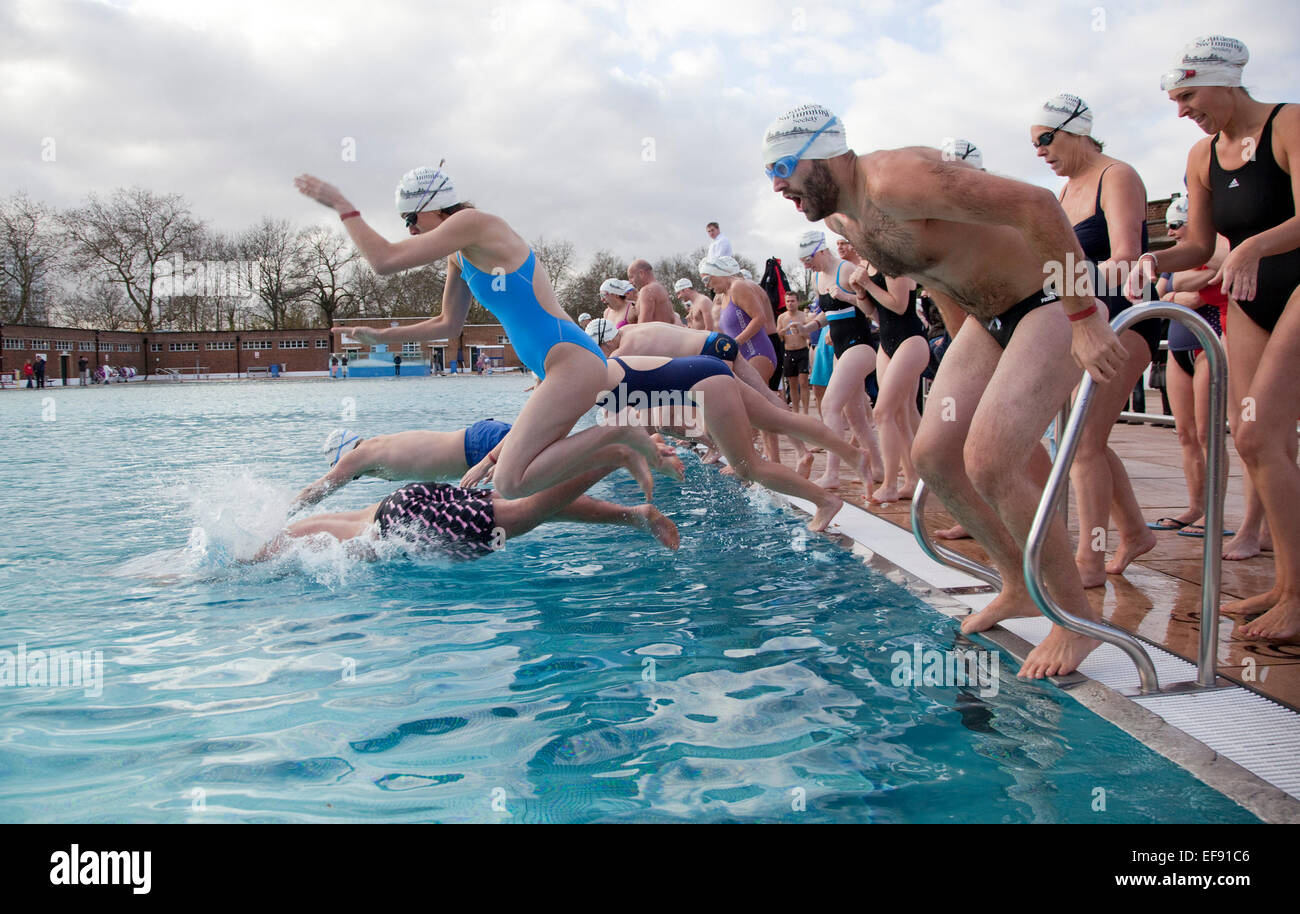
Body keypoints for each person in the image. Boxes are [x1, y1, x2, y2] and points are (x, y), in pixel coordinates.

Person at [766, 102, 1130, 678]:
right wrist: (967, 354)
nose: (779, 183)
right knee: (933, 455)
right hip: (988, 320)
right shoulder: (841, 220)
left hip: (1049, 302)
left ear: (826, 153)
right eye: (769, 174)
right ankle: (1018, 582)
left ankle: (1073, 620)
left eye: (783, 166)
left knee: (990, 461)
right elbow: (939, 275)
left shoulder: (897, 179)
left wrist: (1083, 314)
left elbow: (1037, 206)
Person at [296, 164, 671, 502]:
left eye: (411, 218)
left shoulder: (472, 223)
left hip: (570, 360)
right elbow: (448, 325)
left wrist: (343, 205)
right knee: (517, 481)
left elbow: (385, 261)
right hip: (555, 368)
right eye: (404, 223)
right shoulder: (458, 254)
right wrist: (380, 338)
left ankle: (619, 433)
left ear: (437, 205)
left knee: (509, 481)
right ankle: (619, 450)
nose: (410, 230)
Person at [1129, 36, 1300, 639]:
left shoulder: (1288, 124)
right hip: (1254, 297)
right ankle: (1285, 585)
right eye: (1176, 100)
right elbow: (1199, 246)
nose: (1182, 111)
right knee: (1257, 440)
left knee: (1256, 431)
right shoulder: (1202, 156)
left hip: (1296, 279)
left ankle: (1297, 594)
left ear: (1227, 80)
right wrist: (1155, 260)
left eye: (1189, 96)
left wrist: (1253, 245)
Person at [1032, 92, 1163, 587]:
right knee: (1089, 438)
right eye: (1035, 145)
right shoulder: (1063, 193)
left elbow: (1126, 258)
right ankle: (1134, 531)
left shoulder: (1117, 175)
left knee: (1083, 441)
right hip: (1087, 321)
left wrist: (1066, 279)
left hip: (1126, 318)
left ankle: (1089, 558)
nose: (1041, 151)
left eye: (1046, 139)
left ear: (1076, 129)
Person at [587, 331, 868, 532]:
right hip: (708, 366)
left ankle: (825, 502)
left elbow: (625, 431)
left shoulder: (593, 376)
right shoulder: (609, 358)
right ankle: (854, 455)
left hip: (705, 381)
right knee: (777, 418)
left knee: (748, 466)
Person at [258, 466, 680, 564]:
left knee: (529, 511)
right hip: (406, 501)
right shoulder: (299, 530)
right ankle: (634, 513)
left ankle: (614, 453)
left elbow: (297, 544)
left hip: (402, 526)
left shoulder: (295, 544)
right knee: (521, 509)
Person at [1146, 195, 1231, 539]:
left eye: (1178, 225)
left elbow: (1193, 296)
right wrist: (1188, 283)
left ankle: (1214, 511)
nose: (1172, 232)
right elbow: (1165, 289)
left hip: (1208, 341)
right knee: (1185, 434)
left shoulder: (1217, 244)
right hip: (1180, 344)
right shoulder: (1185, 257)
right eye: (1169, 226)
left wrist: (1181, 287)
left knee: (1208, 433)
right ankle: (1195, 506)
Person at [798, 231, 885, 489]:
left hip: (860, 346)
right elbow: (829, 312)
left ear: (822, 251)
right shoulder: (817, 278)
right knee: (855, 414)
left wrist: (847, 296)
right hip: (840, 350)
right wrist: (809, 327)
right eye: (803, 262)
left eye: (808, 259)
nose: (806, 265)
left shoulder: (847, 270)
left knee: (830, 405)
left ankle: (832, 473)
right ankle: (879, 468)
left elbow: (872, 309)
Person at [849, 260, 926, 504]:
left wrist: (867, 284)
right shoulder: (867, 265)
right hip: (887, 343)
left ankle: (891, 485)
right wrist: (861, 292)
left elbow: (900, 305)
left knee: (882, 412)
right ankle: (912, 481)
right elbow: (873, 313)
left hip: (910, 340)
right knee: (900, 415)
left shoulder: (892, 262)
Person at [296, 420, 514, 507]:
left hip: (480, 446)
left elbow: (321, 487)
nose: (353, 476)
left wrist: (285, 513)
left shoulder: (359, 455)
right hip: (478, 442)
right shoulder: (375, 446)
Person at [777, 290, 812, 414]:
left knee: (803, 382)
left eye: (792, 301)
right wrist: (785, 329)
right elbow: (779, 336)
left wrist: (801, 331)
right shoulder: (782, 318)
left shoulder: (803, 316)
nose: (790, 304)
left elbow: (810, 336)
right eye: (788, 301)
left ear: (797, 302)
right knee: (792, 384)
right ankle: (796, 411)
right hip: (789, 351)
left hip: (802, 350)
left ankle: (806, 412)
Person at [627, 259, 676, 324]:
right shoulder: (662, 289)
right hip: (666, 332)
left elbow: (643, 325)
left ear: (641, 273)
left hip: (654, 333)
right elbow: (672, 319)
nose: (630, 282)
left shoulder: (647, 291)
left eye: (631, 277)